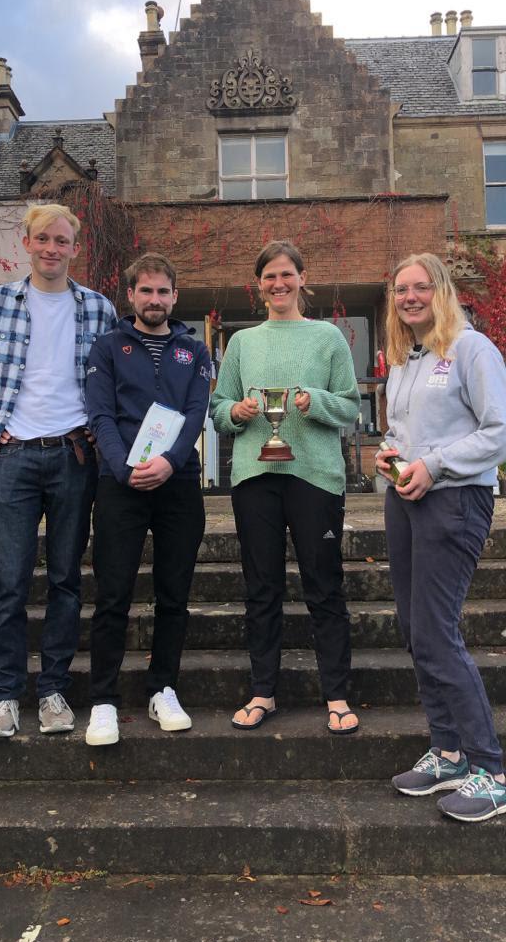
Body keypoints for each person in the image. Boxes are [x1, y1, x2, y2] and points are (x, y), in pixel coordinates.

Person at [0, 203, 117, 738]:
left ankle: (54, 693)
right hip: (14, 455)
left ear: (74, 246)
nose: (51, 248)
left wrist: (101, 427)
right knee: (10, 583)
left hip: (74, 456)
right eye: (42, 238)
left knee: (66, 580)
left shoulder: (98, 309)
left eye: (61, 240)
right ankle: (3, 697)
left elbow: (114, 380)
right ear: (27, 242)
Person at [210, 240, 361, 732]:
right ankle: (263, 692)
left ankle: (336, 695)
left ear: (301, 278)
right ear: (259, 286)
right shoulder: (242, 344)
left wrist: (312, 401)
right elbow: (219, 409)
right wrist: (235, 411)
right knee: (261, 588)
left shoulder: (328, 338)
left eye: (286, 275)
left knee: (323, 584)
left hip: (315, 476)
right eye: (269, 277)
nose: (279, 284)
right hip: (256, 476)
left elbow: (349, 406)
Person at [376, 252, 506, 822]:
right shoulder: (407, 357)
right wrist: (392, 454)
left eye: (419, 287)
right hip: (406, 498)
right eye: (400, 289)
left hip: (454, 499)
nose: (409, 297)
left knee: (435, 629)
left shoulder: (472, 349)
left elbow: (498, 432)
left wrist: (433, 464)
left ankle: (492, 770)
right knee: (414, 627)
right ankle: (449, 752)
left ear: (442, 289)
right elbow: (401, 428)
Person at [84, 253, 211, 744]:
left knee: (173, 596)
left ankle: (163, 688)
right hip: (122, 486)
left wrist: (170, 462)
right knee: (113, 595)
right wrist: (124, 467)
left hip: (178, 485)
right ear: (130, 295)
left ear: (174, 296)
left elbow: (196, 413)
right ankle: (103, 700)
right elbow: (101, 416)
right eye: (146, 291)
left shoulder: (194, 352)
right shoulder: (107, 348)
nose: (154, 300)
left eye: (163, 292)